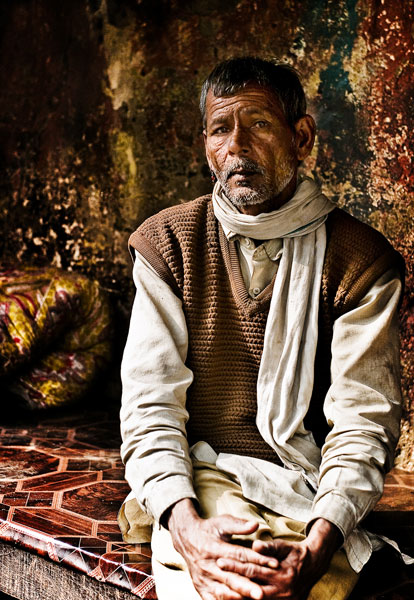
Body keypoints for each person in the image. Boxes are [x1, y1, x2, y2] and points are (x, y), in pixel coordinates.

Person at [119, 57, 404, 600]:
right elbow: (150, 407)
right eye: (221, 129)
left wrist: (317, 547)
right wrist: (188, 531)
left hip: (307, 491)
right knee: (229, 574)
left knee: (276, 581)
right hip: (199, 481)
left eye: (259, 124)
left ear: (301, 138)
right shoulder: (169, 245)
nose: (237, 146)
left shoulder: (360, 262)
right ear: (206, 145)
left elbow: (363, 425)